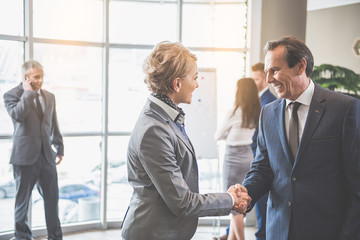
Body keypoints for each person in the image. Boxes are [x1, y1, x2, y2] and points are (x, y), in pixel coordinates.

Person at [120, 41, 251, 240]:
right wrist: (231, 199)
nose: (197, 84)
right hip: (153, 234)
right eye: (195, 78)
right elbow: (182, 202)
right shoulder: (154, 130)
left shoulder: (163, 118)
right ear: (177, 83)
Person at [241, 36, 360, 240]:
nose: (269, 79)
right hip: (279, 231)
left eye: (275, 70)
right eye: (268, 72)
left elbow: (356, 184)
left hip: (327, 231)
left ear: (300, 66)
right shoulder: (267, 113)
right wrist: (245, 194)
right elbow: (262, 167)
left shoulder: (344, 109)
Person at [4, 60, 64, 240]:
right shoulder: (11, 95)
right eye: (36, 77)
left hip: (47, 156)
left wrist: (59, 146)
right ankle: (23, 237)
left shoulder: (50, 97)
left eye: (42, 77)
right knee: (22, 204)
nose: (40, 81)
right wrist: (28, 93)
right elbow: (18, 116)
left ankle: (55, 237)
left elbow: (53, 123)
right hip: (24, 158)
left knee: (52, 201)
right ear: (26, 77)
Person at [215, 78, 261, 240]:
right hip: (248, 155)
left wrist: (230, 133)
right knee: (242, 200)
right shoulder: (256, 111)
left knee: (234, 205)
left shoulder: (234, 111)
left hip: (233, 158)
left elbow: (218, 135)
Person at [249, 62, 276, 240]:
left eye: (256, 79)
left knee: (263, 203)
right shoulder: (257, 101)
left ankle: (262, 235)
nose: (253, 82)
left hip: (263, 159)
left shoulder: (270, 102)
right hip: (255, 157)